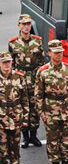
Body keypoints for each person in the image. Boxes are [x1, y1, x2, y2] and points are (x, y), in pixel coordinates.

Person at [34, 40, 68, 164]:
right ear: (49, 53)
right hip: (50, 110)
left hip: (66, 109)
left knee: (67, 140)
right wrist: (42, 113)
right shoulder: (43, 72)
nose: (58, 56)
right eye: (55, 53)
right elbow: (38, 95)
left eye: (60, 53)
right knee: (53, 141)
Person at [8, 14, 44, 150]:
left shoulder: (37, 41)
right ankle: (25, 136)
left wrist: (40, 78)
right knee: (22, 107)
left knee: (35, 107)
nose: (26, 26)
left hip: (34, 77)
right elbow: (11, 62)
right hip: (20, 78)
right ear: (19, 26)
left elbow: (41, 60)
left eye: (28, 24)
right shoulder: (13, 43)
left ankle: (34, 135)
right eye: (23, 24)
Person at [0, 51, 28, 164]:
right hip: (1, 118)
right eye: (4, 62)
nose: (6, 65)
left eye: (8, 62)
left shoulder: (19, 77)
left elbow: (24, 99)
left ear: (12, 62)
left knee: (15, 146)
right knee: (3, 147)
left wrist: (25, 117)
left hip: (16, 117)